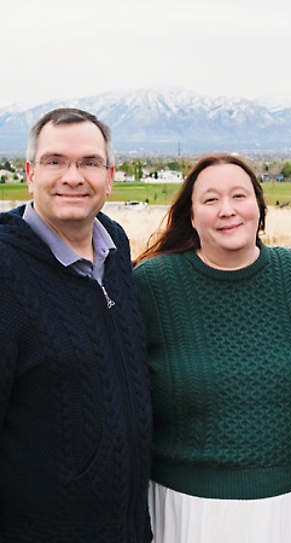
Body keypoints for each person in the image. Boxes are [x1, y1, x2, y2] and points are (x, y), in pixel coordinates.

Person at [132, 153, 291, 543]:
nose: (227, 211)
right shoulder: (152, 285)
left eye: (239, 196)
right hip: (184, 508)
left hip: (285, 507)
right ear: (191, 215)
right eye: (210, 200)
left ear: (259, 207)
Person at [0, 108, 152, 541]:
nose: (73, 176)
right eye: (55, 161)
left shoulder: (115, 246)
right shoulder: (5, 269)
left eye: (89, 162)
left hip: (126, 528)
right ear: (29, 174)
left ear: (110, 176)